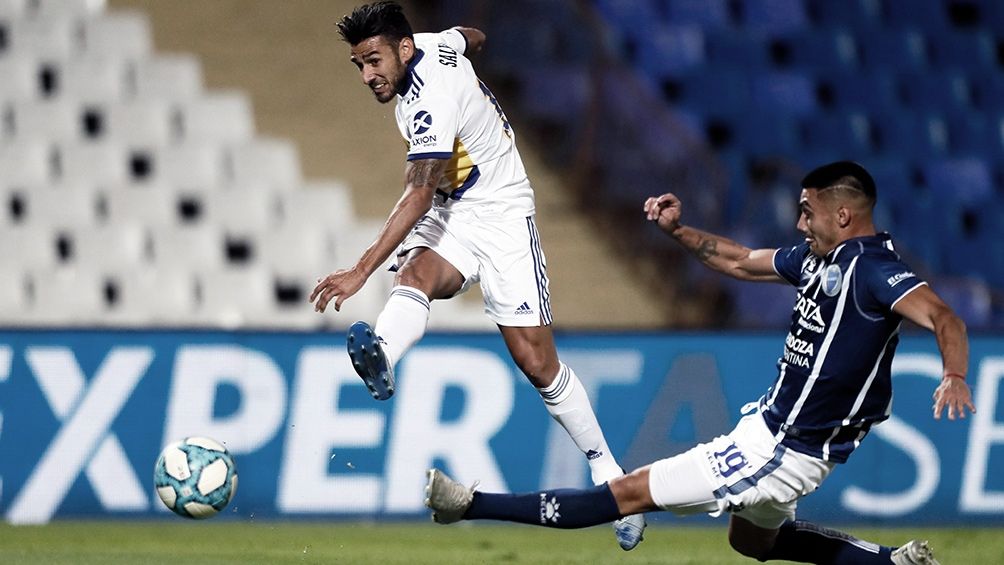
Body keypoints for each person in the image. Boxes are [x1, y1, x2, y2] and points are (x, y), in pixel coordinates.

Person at [424, 161, 977, 565]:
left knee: (627, 495)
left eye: (808, 213)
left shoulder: (873, 269)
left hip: (785, 449)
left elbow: (945, 318)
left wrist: (953, 374)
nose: (800, 224)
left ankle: (467, 506)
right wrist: (679, 232)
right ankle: (890, 563)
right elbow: (741, 261)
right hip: (767, 428)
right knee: (751, 542)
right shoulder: (817, 259)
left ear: (843, 213)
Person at [309, 1, 646, 550]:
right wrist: (468, 52)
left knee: (536, 362)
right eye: (359, 65)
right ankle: (384, 356)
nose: (368, 76)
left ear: (403, 49)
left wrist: (359, 270)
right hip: (455, 211)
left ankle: (609, 472)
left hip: (503, 213)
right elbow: (474, 36)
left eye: (373, 61)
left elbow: (418, 193)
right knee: (415, 272)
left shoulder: (432, 101)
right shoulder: (434, 44)